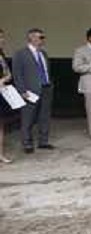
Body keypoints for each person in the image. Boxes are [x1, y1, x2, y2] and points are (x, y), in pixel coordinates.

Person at [11, 28, 54, 154]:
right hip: (30, 91)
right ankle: (27, 143)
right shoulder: (20, 54)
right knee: (28, 117)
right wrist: (22, 90)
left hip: (46, 88)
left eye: (43, 37)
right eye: (41, 37)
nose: (43, 40)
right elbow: (17, 74)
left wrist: (50, 84)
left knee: (44, 116)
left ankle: (43, 141)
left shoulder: (43, 54)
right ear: (32, 38)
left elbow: (46, 71)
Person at [0, 28, 15, 163]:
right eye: (0, 38)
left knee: (1, 124)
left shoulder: (1, 54)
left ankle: (1, 153)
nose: (2, 40)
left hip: (1, 92)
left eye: (2, 37)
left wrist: (4, 79)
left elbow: (8, 73)